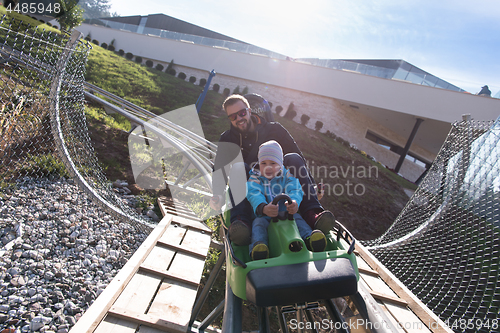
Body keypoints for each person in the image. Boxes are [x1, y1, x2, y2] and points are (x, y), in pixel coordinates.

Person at [210, 94, 335, 245]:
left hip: (280, 185)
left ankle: (312, 213)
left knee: (293, 157)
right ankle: (241, 223)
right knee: (238, 167)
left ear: (249, 111)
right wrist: (217, 194)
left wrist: (313, 185)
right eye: (233, 116)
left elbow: (297, 157)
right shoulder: (228, 138)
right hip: (252, 189)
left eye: (242, 113)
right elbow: (219, 169)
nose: (239, 118)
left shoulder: (274, 129)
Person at [247, 140, 327, 260]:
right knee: (258, 225)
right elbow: (253, 193)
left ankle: (310, 238)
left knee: (299, 220)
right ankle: (259, 247)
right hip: (266, 215)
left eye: (273, 163)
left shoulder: (287, 176)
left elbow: (295, 189)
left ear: (280, 164)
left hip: (287, 213)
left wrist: (294, 202)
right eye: (263, 163)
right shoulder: (255, 177)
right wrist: (263, 207)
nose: (268, 167)